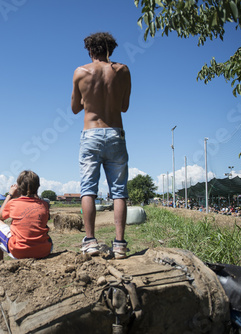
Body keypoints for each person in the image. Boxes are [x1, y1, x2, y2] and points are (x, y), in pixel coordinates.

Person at [71, 32, 131, 259]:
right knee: (119, 192)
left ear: (89, 50)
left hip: (91, 133)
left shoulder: (80, 72)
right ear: (111, 50)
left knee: (88, 189)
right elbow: (124, 107)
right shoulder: (123, 71)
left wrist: (88, 99)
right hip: (115, 132)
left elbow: (75, 108)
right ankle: (120, 245)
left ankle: (90, 241)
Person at [0, 170, 52, 262]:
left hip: (19, 251)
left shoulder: (13, 203)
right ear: (38, 186)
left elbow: (0, 217)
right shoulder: (44, 205)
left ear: (19, 187)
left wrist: (10, 195)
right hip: (44, 251)